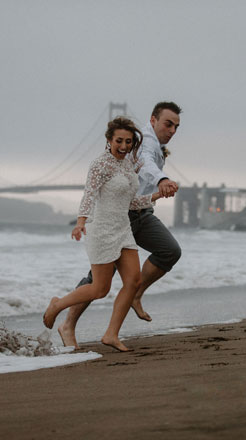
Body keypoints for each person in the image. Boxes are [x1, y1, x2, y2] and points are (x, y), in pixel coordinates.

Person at [58, 102, 183, 349]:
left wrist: (157, 193)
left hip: (141, 213)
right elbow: (144, 162)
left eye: (176, 127)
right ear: (153, 120)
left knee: (169, 250)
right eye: (168, 124)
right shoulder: (144, 142)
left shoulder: (149, 144)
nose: (172, 130)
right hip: (115, 219)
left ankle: (135, 294)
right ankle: (67, 324)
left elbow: (137, 169)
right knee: (98, 281)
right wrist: (163, 179)